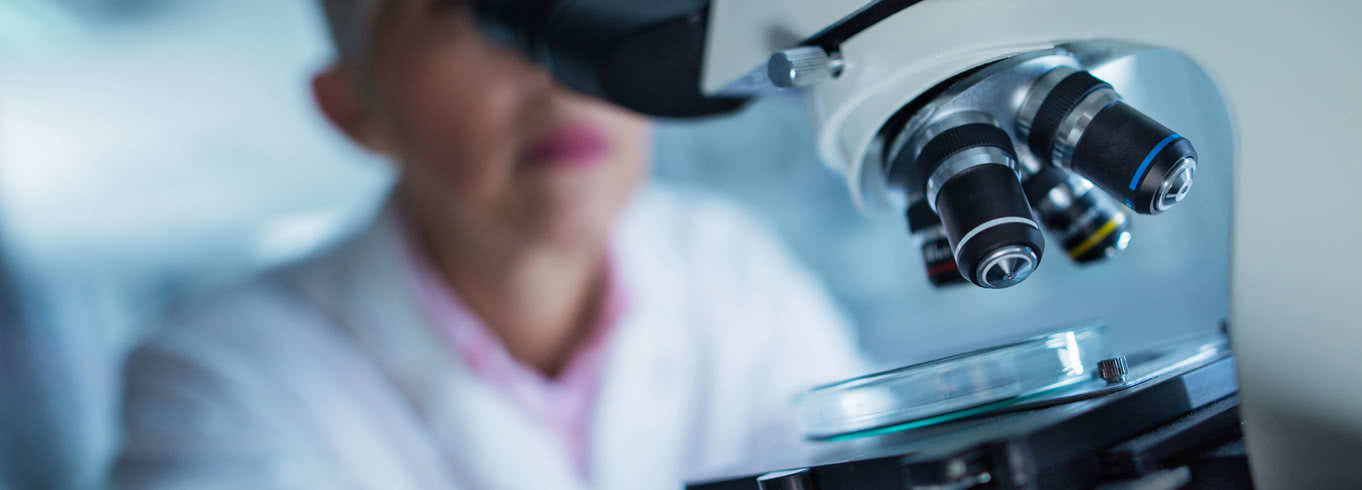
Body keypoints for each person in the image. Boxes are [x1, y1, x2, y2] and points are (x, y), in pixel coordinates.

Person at [109, 0, 869, 488]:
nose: (552, 68)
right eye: (470, 13)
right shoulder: (218, 376)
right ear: (352, 109)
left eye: (586, 5)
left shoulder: (732, 269)